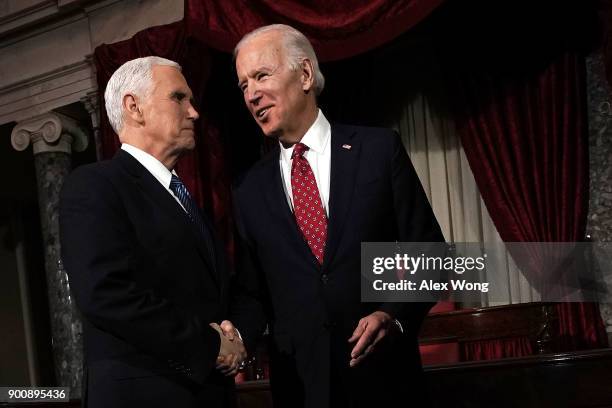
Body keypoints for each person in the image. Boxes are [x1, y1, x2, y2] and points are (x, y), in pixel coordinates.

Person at [229, 24, 445, 408]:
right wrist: (233, 338)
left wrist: (391, 314)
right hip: (301, 387)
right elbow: (252, 292)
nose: (251, 94)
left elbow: (430, 254)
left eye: (261, 75)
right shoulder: (247, 189)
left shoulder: (378, 151)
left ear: (306, 74)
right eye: (243, 85)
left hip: (383, 379)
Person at [59, 56, 245, 408]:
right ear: (135, 107)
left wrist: (234, 337)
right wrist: (209, 346)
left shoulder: (189, 204)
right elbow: (105, 293)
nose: (194, 113)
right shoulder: (95, 185)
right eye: (179, 98)